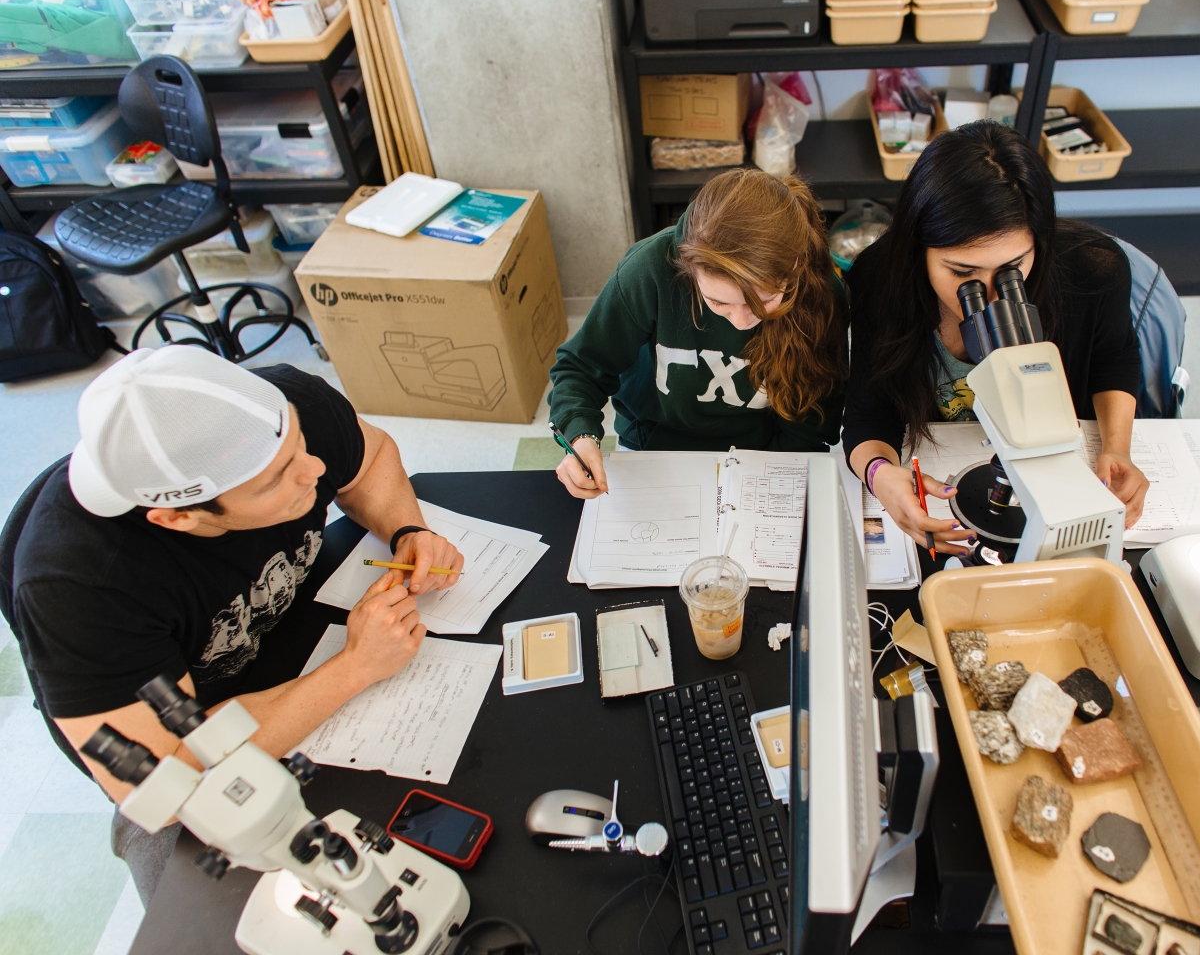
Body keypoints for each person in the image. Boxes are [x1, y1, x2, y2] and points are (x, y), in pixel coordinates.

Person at [1, 346, 464, 904]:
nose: (313, 473)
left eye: (301, 445)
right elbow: (162, 776)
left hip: (291, 630)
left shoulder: (286, 412)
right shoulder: (79, 587)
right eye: (275, 483)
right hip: (188, 723)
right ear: (179, 517)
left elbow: (369, 460)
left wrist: (406, 530)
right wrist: (354, 667)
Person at [843, 121, 1150, 555]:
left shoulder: (1092, 270)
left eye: (1011, 268)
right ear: (918, 251)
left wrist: (1119, 449)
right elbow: (865, 417)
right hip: (945, 480)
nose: (986, 297)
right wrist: (881, 475)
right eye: (963, 274)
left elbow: (1114, 359)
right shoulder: (879, 281)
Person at [547, 168, 849, 499]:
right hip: (651, 447)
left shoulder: (822, 293)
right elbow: (580, 369)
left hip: (765, 455)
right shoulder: (649, 269)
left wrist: (772, 480)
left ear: (795, 267)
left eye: (764, 301)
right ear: (689, 270)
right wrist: (580, 437)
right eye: (719, 302)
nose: (740, 320)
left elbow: (812, 422)